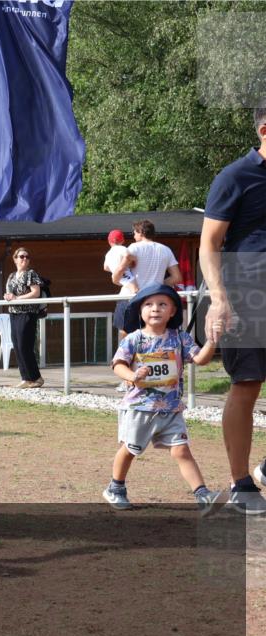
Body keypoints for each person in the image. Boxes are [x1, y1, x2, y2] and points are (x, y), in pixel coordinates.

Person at [199, 101, 266, 514]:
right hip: (246, 293)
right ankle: (242, 483)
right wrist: (219, 298)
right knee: (248, 384)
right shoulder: (235, 177)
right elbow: (209, 243)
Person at [103, 284, 222, 512]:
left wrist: (212, 340)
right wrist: (133, 376)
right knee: (129, 449)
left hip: (171, 409)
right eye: (148, 304)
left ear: (173, 311)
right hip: (139, 408)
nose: (155, 309)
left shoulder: (180, 338)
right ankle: (115, 488)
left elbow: (201, 359)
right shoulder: (134, 339)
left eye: (162, 304)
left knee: (182, 450)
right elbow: (117, 365)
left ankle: (203, 495)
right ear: (140, 311)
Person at [3, 247, 45, 388]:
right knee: (17, 345)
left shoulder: (31, 274)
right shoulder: (11, 276)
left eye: (27, 257)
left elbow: (36, 293)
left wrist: (18, 298)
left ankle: (34, 378)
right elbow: (9, 293)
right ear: (15, 259)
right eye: (21, 256)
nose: (24, 259)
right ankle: (27, 378)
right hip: (14, 313)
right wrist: (8, 296)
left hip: (27, 313)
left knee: (24, 345)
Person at [114, 219, 182, 290]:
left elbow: (120, 269)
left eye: (134, 233)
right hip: (156, 294)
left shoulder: (134, 247)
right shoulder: (166, 250)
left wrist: (115, 279)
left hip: (137, 295)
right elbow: (177, 277)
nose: (134, 237)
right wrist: (160, 285)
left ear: (140, 232)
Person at [104, 229, 139, 336]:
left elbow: (105, 267)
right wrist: (133, 261)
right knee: (135, 289)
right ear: (122, 240)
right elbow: (129, 256)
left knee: (128, 286)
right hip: (125, 274)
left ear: (109, 241)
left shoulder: (108, 253)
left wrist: (114, 269)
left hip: (118, 276)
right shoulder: (123, 248)